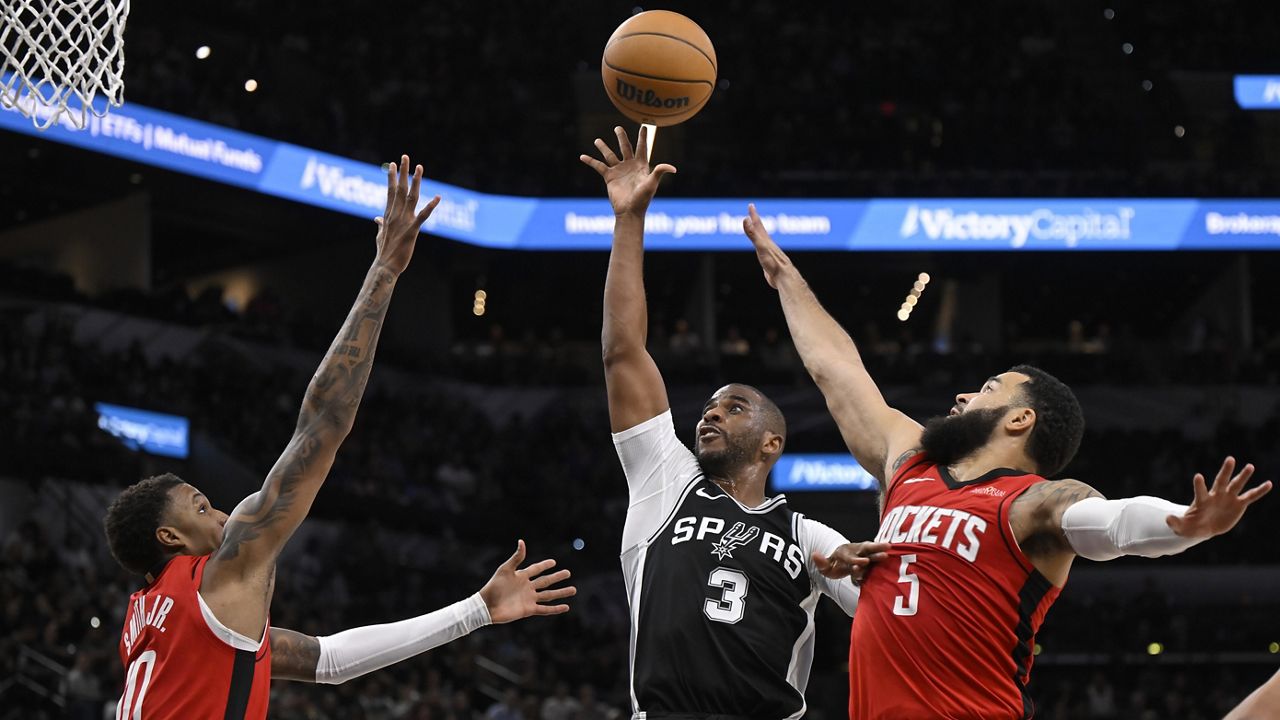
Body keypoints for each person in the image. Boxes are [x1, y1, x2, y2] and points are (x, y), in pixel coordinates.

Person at [741, 203, 1273, 720]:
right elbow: (837, 370)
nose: (962, 399)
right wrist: (786, 279)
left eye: (987, 389)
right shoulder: (910, 463)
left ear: (1020, 420)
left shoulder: (1034, 502)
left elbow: (1112, 524)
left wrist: (1185, 525)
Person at [102, 157, 575, 719]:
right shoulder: (223, 570)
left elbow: (331, 660)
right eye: (202, 507)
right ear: (170, 537)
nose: (223, 512)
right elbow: (323, 422)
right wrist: (385, 271)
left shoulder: (152, 616)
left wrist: (476, 610)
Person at [580, 127, 887, 720]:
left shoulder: (805, 535)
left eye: (735, 406)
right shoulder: (663, 480)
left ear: (772, 444)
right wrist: (628, 221)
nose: (712, 412)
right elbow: (623, 351)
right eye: (710, 407)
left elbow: (886, 606)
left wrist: (867, 570)